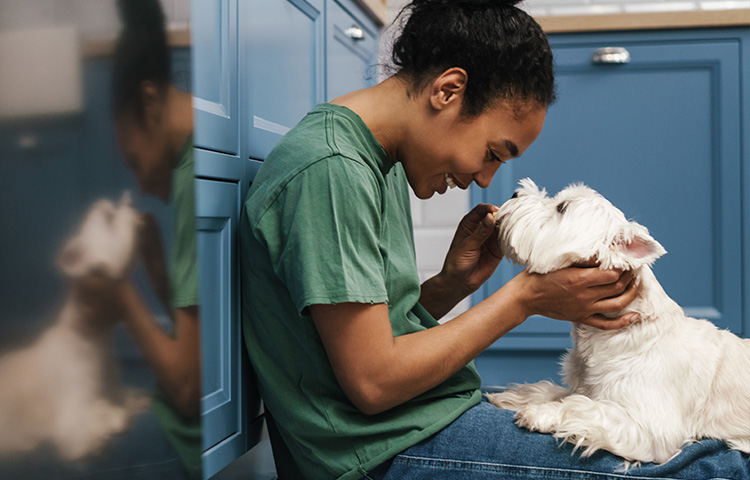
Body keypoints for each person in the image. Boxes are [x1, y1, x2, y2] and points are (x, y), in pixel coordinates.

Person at [240, 1, 749, 479]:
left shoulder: (378, 157)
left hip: (416, 416)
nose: (485, 179)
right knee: (707, 466)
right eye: (492, 152)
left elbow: (367, 335)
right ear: (448, 90)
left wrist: (449, 285)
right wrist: (523, 299)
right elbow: (373, 383)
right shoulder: (333, 172)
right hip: (376, 448)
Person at [109, 0, 201, 477]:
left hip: (192, 441)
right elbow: (205, 329)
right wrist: (159, 271)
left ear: (149, 102)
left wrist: (118, 292)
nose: (141, 183)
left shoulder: (193, 178)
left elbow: (187, 392)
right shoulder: (213, 148)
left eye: (132, 158)